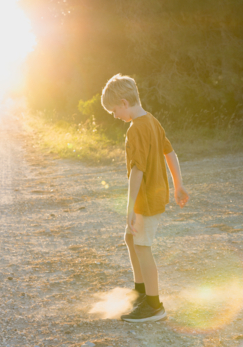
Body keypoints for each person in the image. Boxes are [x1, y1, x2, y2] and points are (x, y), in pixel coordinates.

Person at [101, 73, 190, 323]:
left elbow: (136, 171)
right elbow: (170, 152)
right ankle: (140, 292)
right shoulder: (151, 121)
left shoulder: (136, 129)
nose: (114, 115)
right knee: (131, 239)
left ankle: (154, 305)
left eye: (114, 109)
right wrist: (178, 185)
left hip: (146, 199)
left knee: (142, 246)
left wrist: (130, 208)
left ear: (124, 102)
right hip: (154, 195)